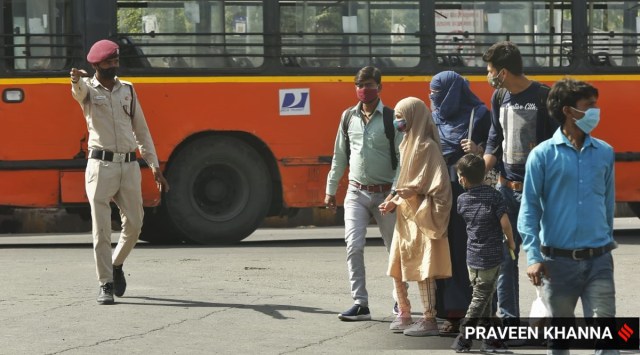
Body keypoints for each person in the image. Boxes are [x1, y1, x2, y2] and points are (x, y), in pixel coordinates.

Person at [518, 78, 617, 355]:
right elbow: (529, 209)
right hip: (557, 265)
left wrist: (605, 246)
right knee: (560, 343)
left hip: (599, 262)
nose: (595, 112)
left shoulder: (605, 153)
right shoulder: (542, 156)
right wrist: (534, 257)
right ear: (568, 111)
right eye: (589, 106)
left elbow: (607, 205)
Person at [70, 39, 170, 305]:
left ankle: (116, 264)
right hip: (100, 167)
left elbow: (142, 130)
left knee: (135, 225)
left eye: (115, 61)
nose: (114, 66)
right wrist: (75, 81)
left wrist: (154, 165)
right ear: (96, 65)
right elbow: (78, 93)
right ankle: (105, 284)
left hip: (128, 166)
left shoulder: (128, 89)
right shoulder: (88, 90)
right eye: (108, 62)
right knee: (101, 230)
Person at [481, 41, 557, 329]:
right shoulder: (500, 96)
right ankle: (510, 322)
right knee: (505, 257)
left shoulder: (543, 96)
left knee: (544, 257)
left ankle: (549, 322)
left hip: (536, 193)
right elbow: (494, 137)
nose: (487, 76)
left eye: (489, 71)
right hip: (506, 189)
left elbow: (556, 145)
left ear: (502, 72)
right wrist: (483, 165)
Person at [325, 66, 402, 321]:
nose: (364, 90)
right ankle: (360, 303)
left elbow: (403, 159)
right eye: (359, 85)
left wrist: (394, 193)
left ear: (379, 88)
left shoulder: (392, 118)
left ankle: (399, 301)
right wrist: (331, 189)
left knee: (394, 250)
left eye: (369, 85)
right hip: (356, 192)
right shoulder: (348, 117)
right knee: (353, 246)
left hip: (386, 196)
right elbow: (340, 155)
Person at [379, 97, 452, 337]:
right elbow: (403, 183)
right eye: (397, 116)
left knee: (424, 269)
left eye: (402, 116)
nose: (398, 121)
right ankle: (405, 313)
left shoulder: (428, 148)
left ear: (414, 117)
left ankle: (429, 319)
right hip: (405, 216)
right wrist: (394, 200)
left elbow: (440, 189)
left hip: (422, 217)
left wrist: (414, 192)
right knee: (397, 266)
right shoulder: (405, 144)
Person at [429, 70, 492, 334]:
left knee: (472, 250)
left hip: (469, 193)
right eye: (431, 92)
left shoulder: (479, 115)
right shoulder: (433, 118)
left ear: (453, 92)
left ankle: (481, 312)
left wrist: (477, 150)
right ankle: (450, 312)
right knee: (445, 250)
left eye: (438, 92)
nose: (433, 97)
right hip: (440, 193)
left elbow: (493, 147)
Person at [450, 153, 515, 352]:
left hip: (472, 256)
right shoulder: (495, 196)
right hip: (492, 255)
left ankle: (489, 340)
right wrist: (511, 243)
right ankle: (464, 336)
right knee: (481, 297)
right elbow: (505, 224)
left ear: (462, 178)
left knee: (484, 297)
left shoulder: (461, 200)